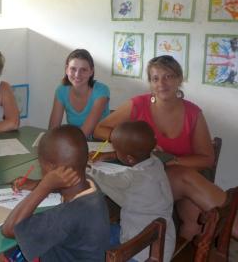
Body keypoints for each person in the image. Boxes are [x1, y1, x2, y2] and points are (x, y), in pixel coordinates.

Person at [92, 55, 237, 241]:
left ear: (179, 79)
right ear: (150, 83)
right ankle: (230, 218)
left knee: (194, 218)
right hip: (147, 178)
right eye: (155, 78)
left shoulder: (193, 113)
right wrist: (133, 141)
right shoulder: (137, 104)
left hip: (180, 177)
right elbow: (99, 129)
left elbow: (207, 158)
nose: (162, 83)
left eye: (168, 76)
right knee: (194, 211)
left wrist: (174, 161)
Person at [2, 125, 110, 261]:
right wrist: (37, 184)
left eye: (41, 166)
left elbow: (10, 229)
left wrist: (44, 186)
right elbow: (65, 183)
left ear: (54, 170)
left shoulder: (68, 214)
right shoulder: (89, 183)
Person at [87, 121, 175, 262]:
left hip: (139, 253)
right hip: (163, 243)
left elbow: (101, 179)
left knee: (88, 239)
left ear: (129, 158)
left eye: (116, 150)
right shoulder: (156, 162)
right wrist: (113, 155)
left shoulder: (133, 177)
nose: (115, 152)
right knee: (101, 232)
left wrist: (86, 168)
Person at [48, 49, 110, 139]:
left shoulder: (101, 91)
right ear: (66, 70)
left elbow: (85, 133)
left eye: (83, 70)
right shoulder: (61, 90)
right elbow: (52, 130)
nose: (77, 75)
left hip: (99, 145)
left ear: (91, 72)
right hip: (75, 142)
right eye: (73, 69)